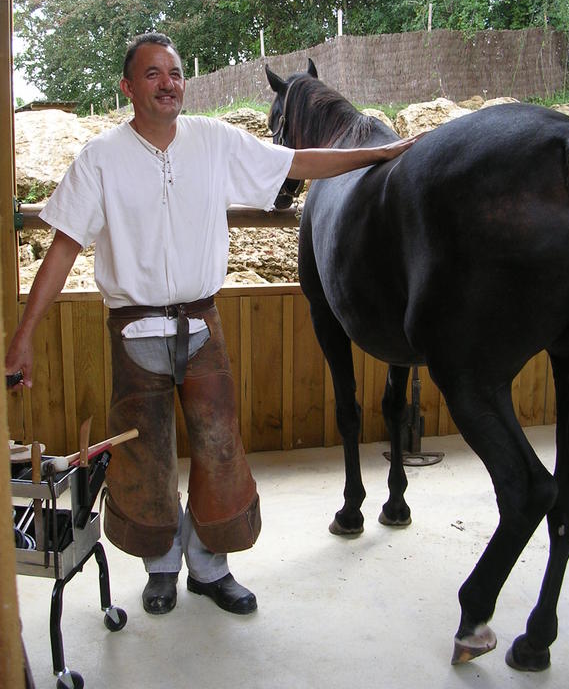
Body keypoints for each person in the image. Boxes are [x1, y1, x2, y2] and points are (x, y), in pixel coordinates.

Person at [5, 32, 419, 617]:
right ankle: (161, 569)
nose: (168, 83)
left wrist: (379, 154)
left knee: (220, 451)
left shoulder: (214, 141)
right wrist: (23, 337)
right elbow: (63, 248)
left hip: (202, 326)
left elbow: (297, 162)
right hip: (133, 333)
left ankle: (210, 568)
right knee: (145, 457)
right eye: (152, 74)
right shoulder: (99, 158)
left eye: (174, 73)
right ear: (128, 87)